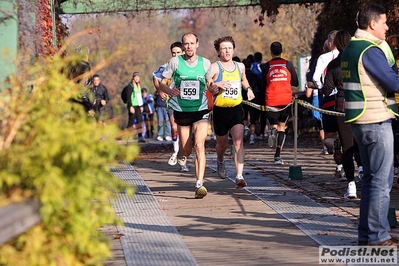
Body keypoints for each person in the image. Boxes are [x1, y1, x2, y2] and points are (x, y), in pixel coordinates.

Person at [341, 3, 399, 246]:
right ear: (372, 23)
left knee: (370, 181)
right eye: (384, 22)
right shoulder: (370, 50)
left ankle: (366, 234)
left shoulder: (352, 48)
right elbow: (393, 82)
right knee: (380, 182)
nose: (387, 27)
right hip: (376, 120)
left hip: (360, 121)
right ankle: (378, 237)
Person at [159, 33, 217, 199]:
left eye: (192, 43)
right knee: (187, 149)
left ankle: (199, 183)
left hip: (200, 109)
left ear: (197, 44)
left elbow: (209, 82)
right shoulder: (175, 62)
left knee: (200, 145)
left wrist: (213, 88)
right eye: (186, 44)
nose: (189, 46)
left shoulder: (205, 63)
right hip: (181, 109)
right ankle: (182, 154)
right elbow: (162, 82)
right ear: (183, 46)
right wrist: (170, 91)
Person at [322, 30, 363, 199]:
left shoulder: (333, 65)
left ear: (336, 44)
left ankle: (351, 185)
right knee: (361, 143)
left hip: (342, 107)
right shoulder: (360, 60)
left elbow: (326, 90)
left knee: (347, 148)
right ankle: (363, 170)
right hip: (361, 105)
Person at [210, 36, 255, 188]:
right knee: (222, 146)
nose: (227, 51)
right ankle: (220, 160)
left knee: (238, 142)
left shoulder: (240, 66)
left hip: (236, 109)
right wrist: (216, 84)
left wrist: (248, 89)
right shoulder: (215, 67)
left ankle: (239, 176)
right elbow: (207, 84)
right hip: (220, 111)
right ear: (218, 51)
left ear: (233, 49)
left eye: (229, 48)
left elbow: (243, 80)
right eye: (223, 48)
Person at [260, 41, 298, 165]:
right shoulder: (288, 64)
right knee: (282, 126)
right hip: (285, 101)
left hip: (271, 100)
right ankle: (277, 155)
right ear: (282, 51)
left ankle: (272, 132)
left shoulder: (266, 66)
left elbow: (262, 85)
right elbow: (296, 82)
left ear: (271, 52)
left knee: (273, 125)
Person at [153, 42, 184, 163]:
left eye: (178, 53)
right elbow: (155, 77)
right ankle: (176, 151)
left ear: (183, 53)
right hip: (172, 100)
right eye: (173, 53)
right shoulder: (166, 66)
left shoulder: (189, 66)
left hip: (187, 102)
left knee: (185, 129)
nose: (175, 55)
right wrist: (160, 91)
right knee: (174, 127)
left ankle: (183, 152)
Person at [121, 72, 145, 143]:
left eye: (138, 77)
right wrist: (130, 106)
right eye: (136, 77)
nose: (137, 78)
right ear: (133, 78)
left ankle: (140, 136)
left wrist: (141, 106)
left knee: (140, 120)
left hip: (138, 105)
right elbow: (128, 97)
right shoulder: (130, 86)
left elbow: (139, 96)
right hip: (132, 106)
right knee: (131, 121)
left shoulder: (138, 85)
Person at [242, 58, 261, 145]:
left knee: (244, 116)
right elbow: (261, 87)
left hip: (242, 99)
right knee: (253, 119)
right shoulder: (255, 76)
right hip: (254, 99)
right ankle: (252, 137)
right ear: (250, 66)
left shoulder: (240, 76)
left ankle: (245, 128)